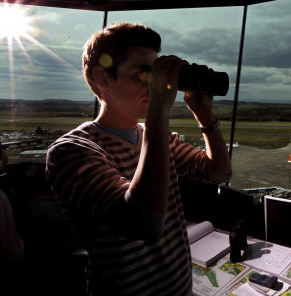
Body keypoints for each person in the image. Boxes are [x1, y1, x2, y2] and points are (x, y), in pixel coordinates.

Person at [45, 22, 232, 295]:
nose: (158, 85)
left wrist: (204, 114)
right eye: (145, 75)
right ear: (103, 78)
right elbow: (143, 223)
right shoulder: (71, 151)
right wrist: (159, 110)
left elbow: (220, 174)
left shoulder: (159, 140)